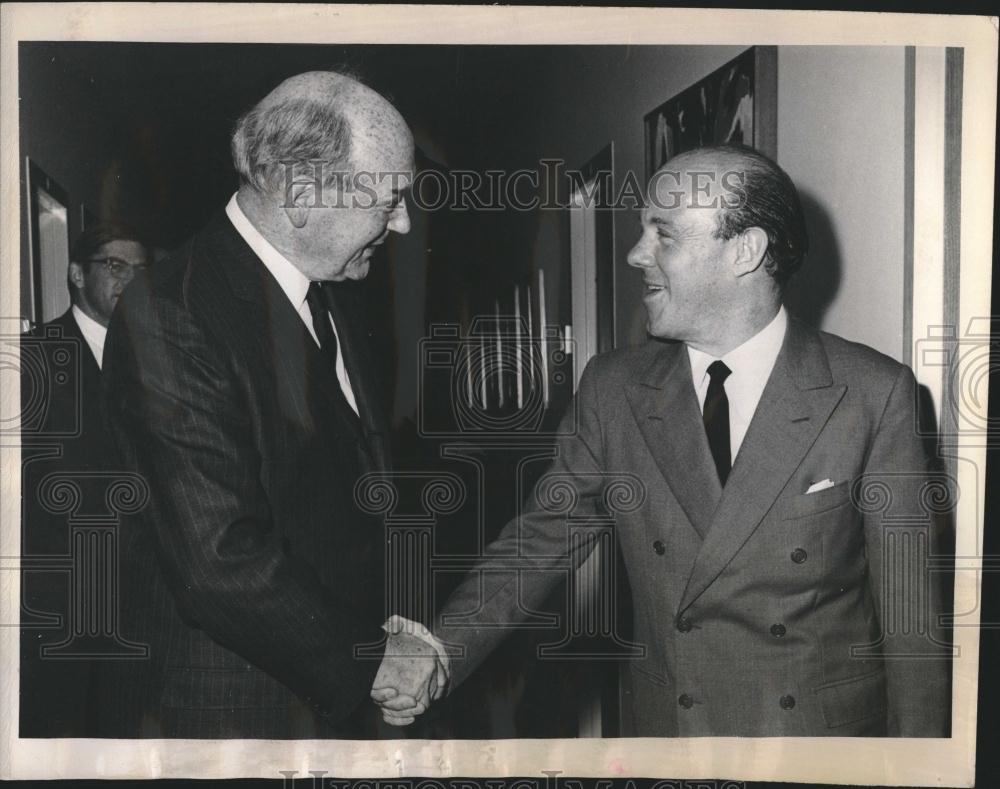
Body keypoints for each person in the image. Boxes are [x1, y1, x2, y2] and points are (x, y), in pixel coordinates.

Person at [372, 144, 952, 737]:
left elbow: (912, 625)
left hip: (817, 746)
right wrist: (440, 648)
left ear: (745, 251)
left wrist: (920, 768)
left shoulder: (873, 394)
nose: (634, 253)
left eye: (663, 234)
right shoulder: (614, 389)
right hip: (674, 739)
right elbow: (538, 543)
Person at [100, 71, 438, 738]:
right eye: (389, 198)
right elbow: (217, 559)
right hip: (234, 716)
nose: (402, 222)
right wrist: (371, 656)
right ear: (299, 193)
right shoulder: (169, 312)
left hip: (327, 697)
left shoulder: (334, 286)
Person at [20, 223, 149, 736]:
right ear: (76, 273)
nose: (132, 281)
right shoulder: (33, 358)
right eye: (116, 266)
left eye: (141, 271)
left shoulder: (158, 363)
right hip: (58, 615)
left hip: (140, 612)